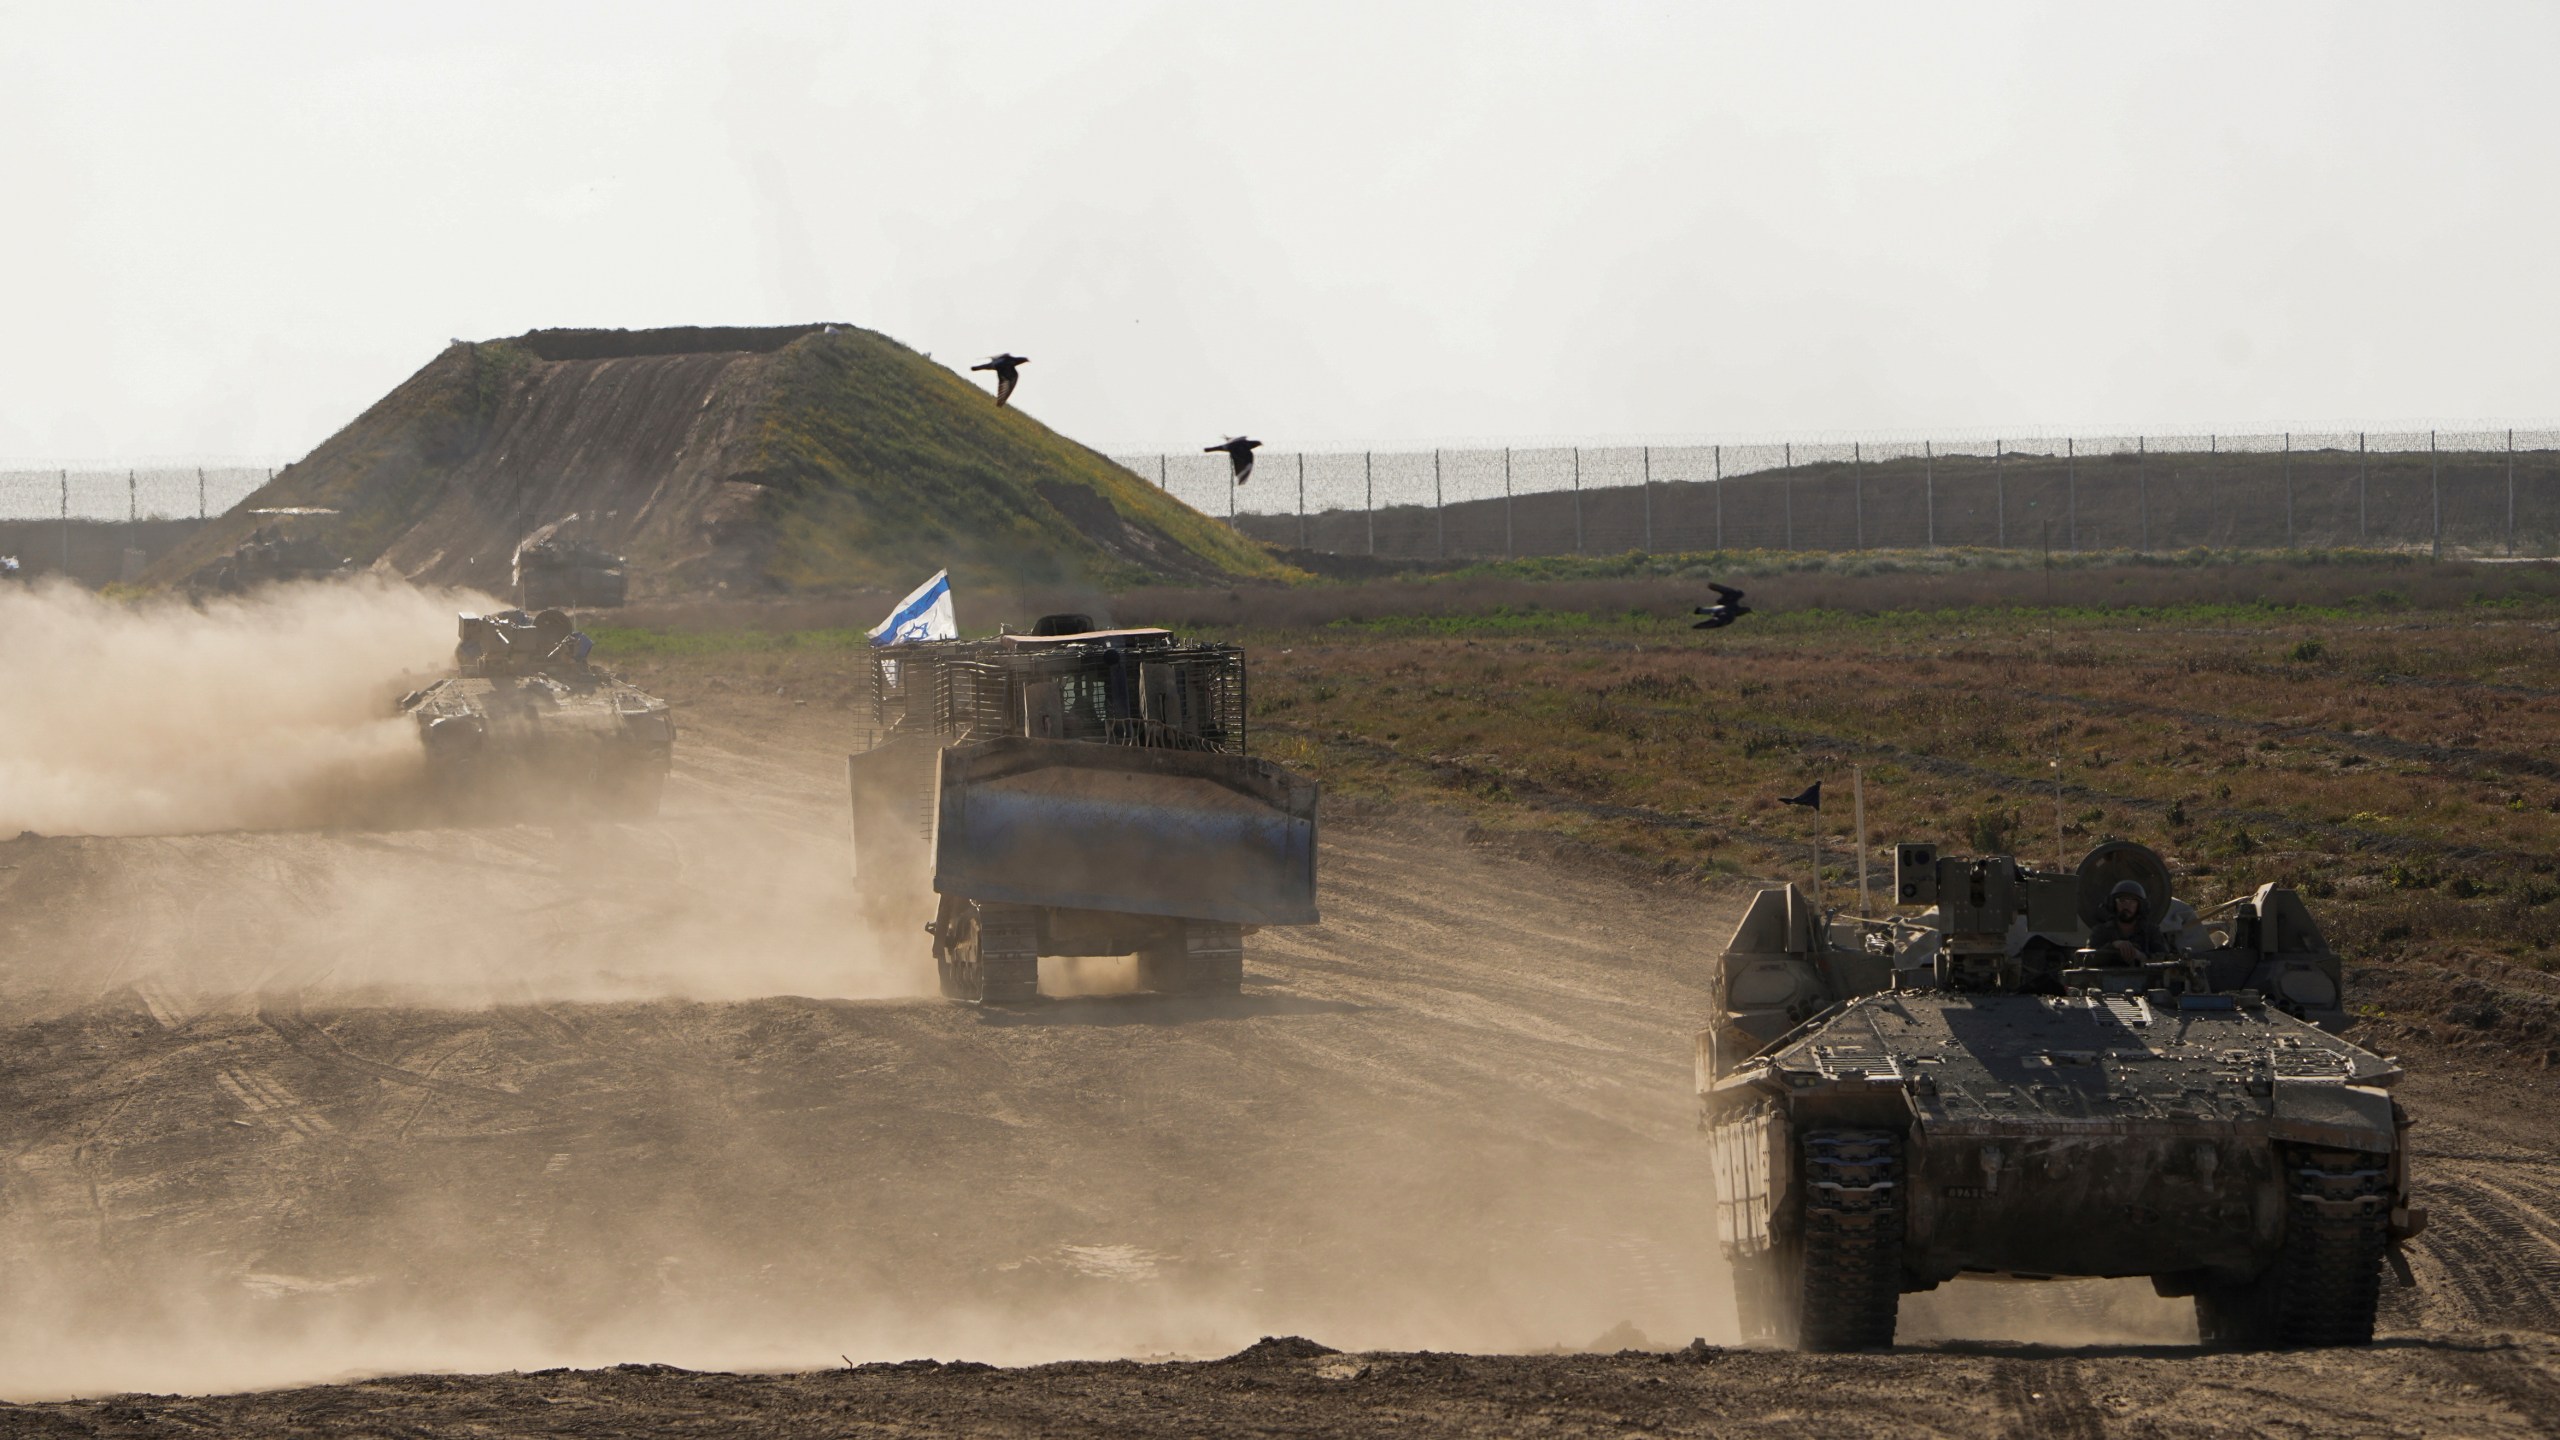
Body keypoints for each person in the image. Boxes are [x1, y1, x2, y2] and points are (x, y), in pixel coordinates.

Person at [2096, 878, 2167, 963]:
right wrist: (2113, 946)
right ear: (2113, 904)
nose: (2126, 905)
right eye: (2122, 900)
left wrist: (2142, 956)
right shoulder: (2100, 931)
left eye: (2132, 901)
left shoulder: (2151, 931)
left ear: (2140, 906)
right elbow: (2087, 960)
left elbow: (2166, 960)